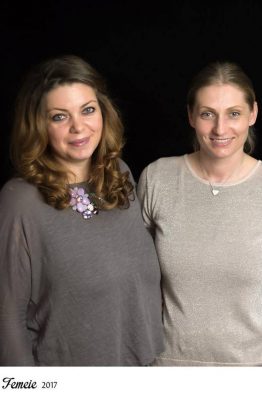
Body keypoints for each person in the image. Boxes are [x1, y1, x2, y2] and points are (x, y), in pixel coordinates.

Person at [0, 55, 164, 366]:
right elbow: (7, 318)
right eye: (59, 117)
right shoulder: (20, 200)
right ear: (38, 125)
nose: (78, 127)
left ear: (103, 112)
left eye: (87, 110)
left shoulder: (119, 174)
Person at [137, 61, 262, 366]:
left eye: (234, 114)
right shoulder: (156, 179)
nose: (220, 129)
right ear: (191, 116)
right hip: (168, 366)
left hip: (254, 368)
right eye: (207, 114)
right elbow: (135, 272)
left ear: (253, 113)